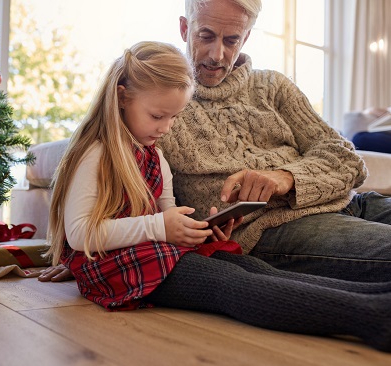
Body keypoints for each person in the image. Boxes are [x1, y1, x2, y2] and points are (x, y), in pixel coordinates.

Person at [44, 40, 391, 352]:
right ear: (121, 96)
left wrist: (196, 229)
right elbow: (81, 235)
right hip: (115, 265)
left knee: (252, 266)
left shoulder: (155, 156)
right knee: (232, 285)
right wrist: (160, 227)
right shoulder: (97, 152)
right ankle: (371, 317)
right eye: (157, 116)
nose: (165, 128)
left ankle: (377, 297)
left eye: (174, 117)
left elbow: (169, 214)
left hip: (155, 248)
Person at [154, 0, 391, 282]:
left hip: (354, 202)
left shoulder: (273, 86)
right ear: (184, 28)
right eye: (206, 36)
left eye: (232, 40)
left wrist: (285, 177)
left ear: (247, 37)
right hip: (276, 227)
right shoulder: (162, 107)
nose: (217, 54)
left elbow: (348, 160)